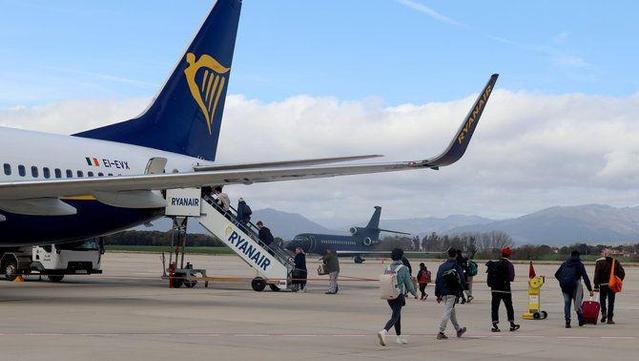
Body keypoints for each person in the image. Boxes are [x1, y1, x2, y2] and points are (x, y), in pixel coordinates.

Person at [378, 248, 418, 346]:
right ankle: (384, 331)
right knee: (395, 316)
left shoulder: (387, 268)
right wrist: (415, 293)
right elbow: (408, 284)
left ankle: (398, 337)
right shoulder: (403, 268)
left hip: (389, 295)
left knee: (397, 315)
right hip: (398, 295)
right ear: (401, 256)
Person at [555, 250, 594, 328]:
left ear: (570, 255)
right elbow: (585, 278)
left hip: (565, 287)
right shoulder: (580, 265)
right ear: (578, 256)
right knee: (577, 304)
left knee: (567, 303)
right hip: (576, 286)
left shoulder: (564, 264)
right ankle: (580, 320)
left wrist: (562, 281)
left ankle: (567, 321)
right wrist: (590, 289)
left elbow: (556, 274)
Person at [434, 248, 467, 340]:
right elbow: (462, 280)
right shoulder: (456, 266)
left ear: (448, 255)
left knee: (451, 311)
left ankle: (458, 329)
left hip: (443, 292)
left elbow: (438, 280)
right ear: (456, 255)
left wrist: (438, 294)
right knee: (447, 311)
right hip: (452, 292)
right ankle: (441, 331)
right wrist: (461, 290)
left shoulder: (442, 266)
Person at [488, 247, 520, 332]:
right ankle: (512, 324)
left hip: (494, 289)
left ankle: (495, 325)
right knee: (509, 306)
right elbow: (511, 277)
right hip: (505, 289)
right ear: (509, 255)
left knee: (494, 307)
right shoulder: (509, 264)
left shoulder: (495, 264)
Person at [593, 249, 626, 324]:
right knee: (611, 302)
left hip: (602, 285)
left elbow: (597, 274)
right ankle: (610, 318)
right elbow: (622, 273)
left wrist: (596, 285)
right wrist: (618, 280)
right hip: (612, 284)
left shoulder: (599, 262)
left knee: (602, 300)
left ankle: (604, 312)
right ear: (610, 254)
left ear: (603, 254)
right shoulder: (615, 262)